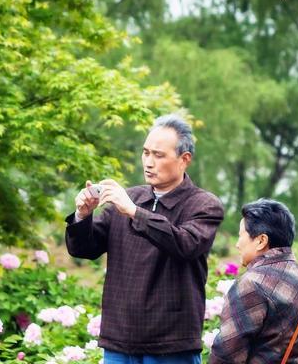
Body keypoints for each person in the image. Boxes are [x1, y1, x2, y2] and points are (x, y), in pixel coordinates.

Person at [65, 114, 225, 364]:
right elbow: (84, 248)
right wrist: (82, 215)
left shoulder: (203, 205)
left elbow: (186, 244)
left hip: (171, 343)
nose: (149, 162)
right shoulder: (128, 198)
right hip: (119, 340)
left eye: (158, 155)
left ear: (184, 160)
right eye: (146, 153)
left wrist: (133, 212)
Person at [209, 199, 298, 363]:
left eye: (241, 236)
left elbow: (227, 355)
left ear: (261, 241)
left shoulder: (252, 284)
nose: (237, 244)